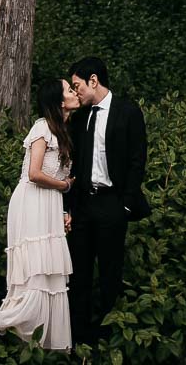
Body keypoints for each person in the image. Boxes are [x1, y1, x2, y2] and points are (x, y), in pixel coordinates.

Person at [0, 77, 80, 353]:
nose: (74, 93)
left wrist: (62, 210)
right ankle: (19, 329)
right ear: (59, 101)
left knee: (49, 270)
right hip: (31, 201)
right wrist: (64, 186)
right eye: (69, 90)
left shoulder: (63, 130)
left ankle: (45, 344)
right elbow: (35, 173)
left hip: (49, 203)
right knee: (35, 269)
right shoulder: (42, 128)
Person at [65, 56, 150, 350]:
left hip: (112, 204)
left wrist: (125, 205)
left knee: (110, 273)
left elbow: (138, 160)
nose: (76, 93)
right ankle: (79, 338)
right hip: (83, 206)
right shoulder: (80, 116)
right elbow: (71, 162)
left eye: (77, 86)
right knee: (79, 274)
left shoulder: (128, 111)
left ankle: (107, 337)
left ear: (93, 80)